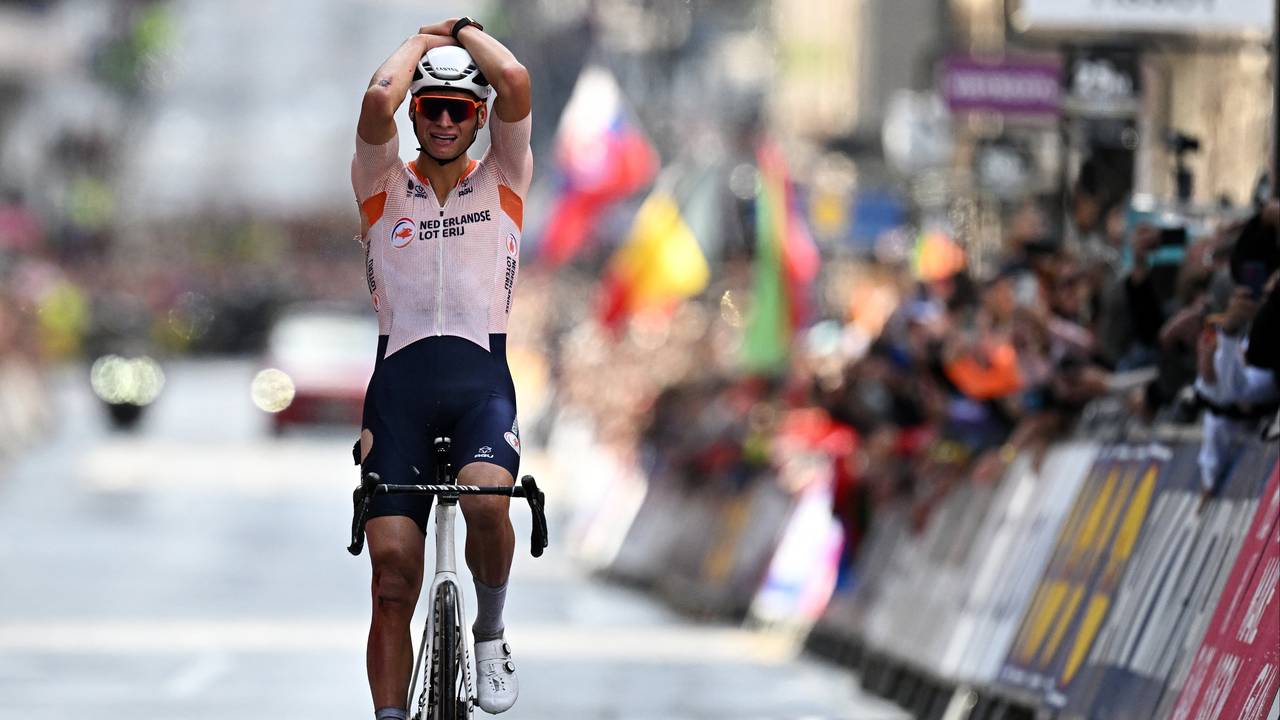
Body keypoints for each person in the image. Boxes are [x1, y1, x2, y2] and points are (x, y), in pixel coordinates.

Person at [350, 16, 532, 719]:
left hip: (480, 387)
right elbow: (374, 101)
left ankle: (488, 633)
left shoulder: (505, 180)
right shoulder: (382, 184)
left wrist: (461, 29)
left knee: (489, 500)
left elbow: (515, 80)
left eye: (461, 109)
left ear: (480, 117)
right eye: (433, 108)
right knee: (393, 580)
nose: (447, 121)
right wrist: (422, 48)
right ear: (417, 113)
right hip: (398, 396)